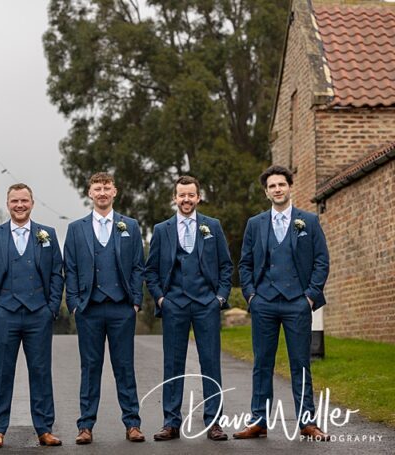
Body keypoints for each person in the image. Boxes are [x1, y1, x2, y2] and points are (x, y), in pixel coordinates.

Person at [234, 165, 330, 441]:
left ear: (290, 187)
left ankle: (307, 422)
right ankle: (258, 421)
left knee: (300, 363)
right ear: (266, 192)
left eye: (281, 185)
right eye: (272, 186)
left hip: (297, 303)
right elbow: (246, 263)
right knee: (262, 363)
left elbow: (321, 260)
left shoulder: (308, 222)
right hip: (263, 302)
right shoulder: (255, 224)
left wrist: (310, 296)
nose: (277, 189)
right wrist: (251, 295)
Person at [0, 183, 65, 449]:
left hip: (39, 313)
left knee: (40, 372)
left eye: (24, 201)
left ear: (32, 203)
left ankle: (44, 429)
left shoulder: (46, 234)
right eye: (15, 201)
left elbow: (56, 273)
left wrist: (51, 307)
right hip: (5, 313)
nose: (19, 205)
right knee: (2, 372)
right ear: (8, 204)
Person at [144, 176, 232, 441]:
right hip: (175, 304)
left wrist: (219, 298)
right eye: (181, 195)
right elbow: (151, 270)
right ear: (174, 197)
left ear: (198, 197)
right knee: (173, 364)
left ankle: (214, 422)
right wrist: (161, 299)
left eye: (190, 195)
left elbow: (226, 266)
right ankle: (171, 422)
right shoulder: (162, 229)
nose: (186, 200)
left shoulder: (212, 226)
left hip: (206, 304)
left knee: (210, 363)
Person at [63, 172, 146, 444]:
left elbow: (137, 265)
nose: (102, 192)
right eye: (97, 188)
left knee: (125, 367)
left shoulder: (130, 226)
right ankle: (85, 426)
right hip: (89, 308)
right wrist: (74, 303)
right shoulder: (76, 229)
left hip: (122, 308)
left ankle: (132, 423)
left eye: (106, 188)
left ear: (115, 192)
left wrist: (135, 300)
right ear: (90, 193)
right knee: (90, 367)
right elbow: (71, 267)